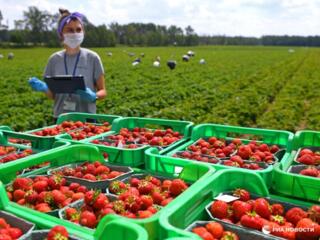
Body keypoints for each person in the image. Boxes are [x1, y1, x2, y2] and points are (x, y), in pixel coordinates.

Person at [28, 9, 107, 122]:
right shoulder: (54, 60)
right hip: (61, 118)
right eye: (70, 30)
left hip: (87, 118)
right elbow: (53, 96)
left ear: (83, 32)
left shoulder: (92, 58)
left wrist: (94, 96)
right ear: (61, 34)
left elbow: (103, 91)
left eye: (78, 30)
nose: (75, 33)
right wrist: (45, 88)